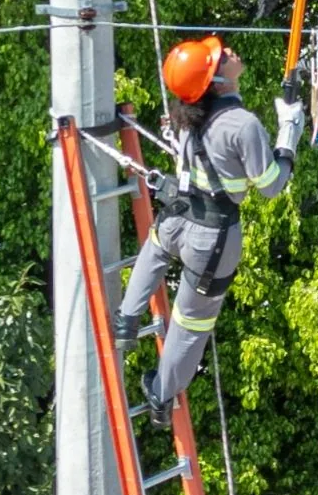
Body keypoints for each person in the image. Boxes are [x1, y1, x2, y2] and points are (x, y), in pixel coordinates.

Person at [113, 35, 304, 427]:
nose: (230, 52)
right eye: (221, 58)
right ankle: (161, 397)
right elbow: (270, 185)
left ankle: (127, 320)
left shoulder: (188, 113)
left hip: (177, 217)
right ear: (217, 81)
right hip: (213, 237)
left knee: (155, 248)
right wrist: (289, 134)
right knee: (190, 325)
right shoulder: (241, 125)